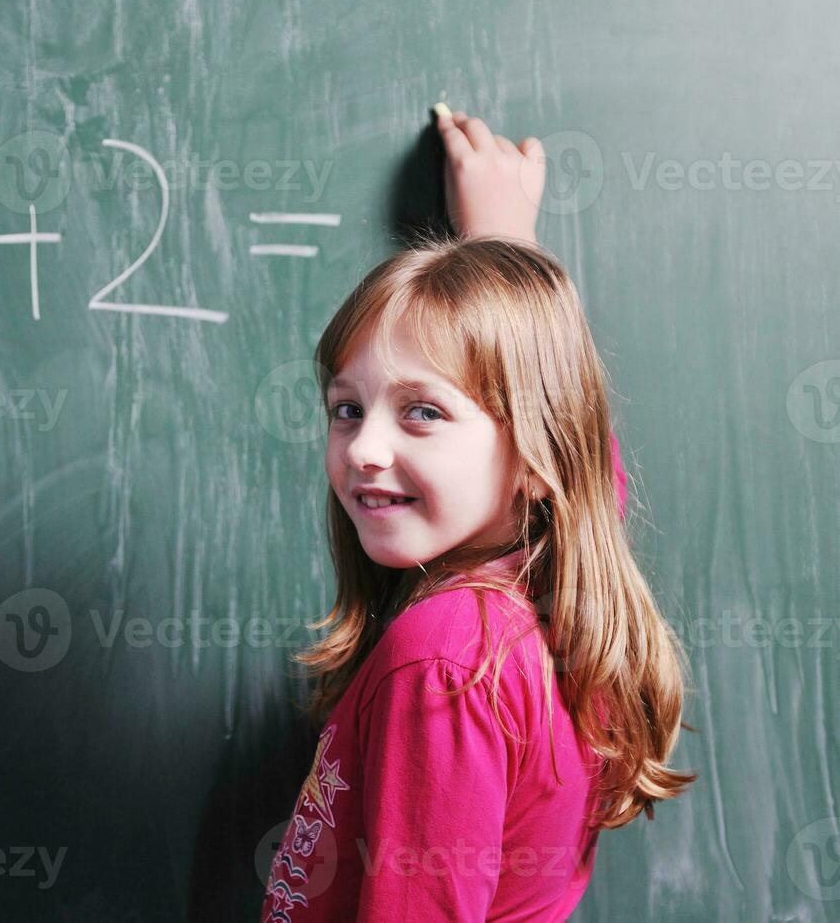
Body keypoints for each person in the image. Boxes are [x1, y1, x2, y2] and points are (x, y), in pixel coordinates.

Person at [260, 109, 697, 921]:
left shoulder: (445, 663)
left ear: (534, 457)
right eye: (346, 409)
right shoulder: (547, 599)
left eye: (421, 412)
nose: (362, 450)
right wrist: (504, 237)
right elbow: (582, 451)